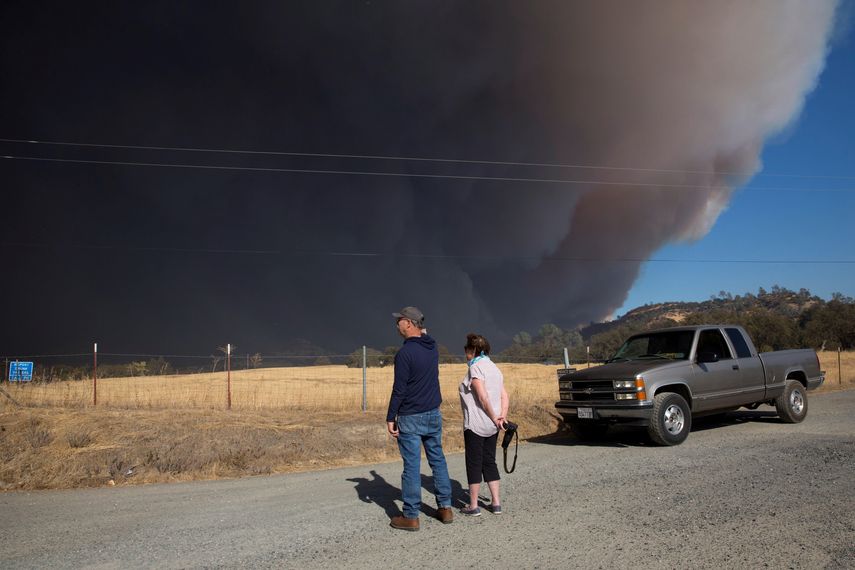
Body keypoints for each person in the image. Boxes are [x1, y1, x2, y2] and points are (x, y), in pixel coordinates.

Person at [386, 306, 453, 531]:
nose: (397, 324)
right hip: (433, 413)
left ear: (409, 323)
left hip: (411, 416)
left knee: (412, 466)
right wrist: (424, 331)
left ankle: (411, 516)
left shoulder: (404, 354)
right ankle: (445, 508)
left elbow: (399, 389)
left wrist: (390, 416)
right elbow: (428, 337)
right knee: (438, 460)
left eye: (400, 320)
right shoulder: (431, 347)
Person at [458, 333, 509, 516]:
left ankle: (473, 505)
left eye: (466, 349)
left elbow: (482, 396)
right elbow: (504, 396)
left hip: (476, 424)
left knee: (474, 463)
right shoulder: (495, 368)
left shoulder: (476, 368)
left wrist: (494, 416)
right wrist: (501, 417)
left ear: (473, 350)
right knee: (489, 461)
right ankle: (496, 503)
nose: (465, 353)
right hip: (492, 426)